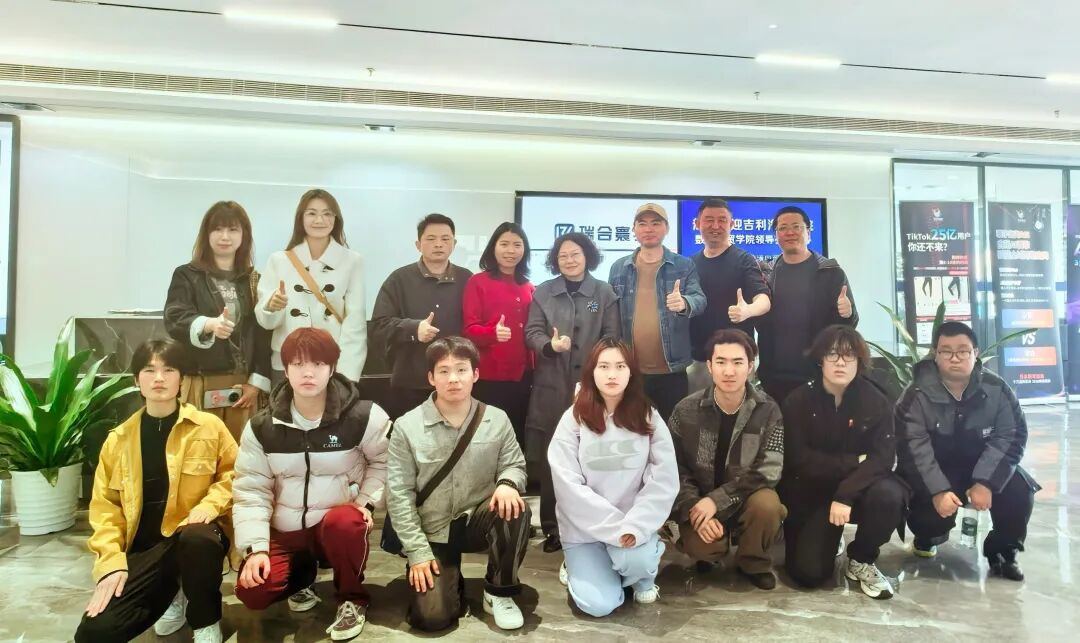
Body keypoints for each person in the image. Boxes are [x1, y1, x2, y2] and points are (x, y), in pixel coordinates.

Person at [232, 328, 390, 641]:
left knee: (347, 522)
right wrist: (255, 549)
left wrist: (366, 502)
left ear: (332, 368)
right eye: (298, 364)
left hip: (335, 525)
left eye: (318, 364)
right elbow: (251, 490)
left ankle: (352, 598)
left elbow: (386, 462)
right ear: (285, 369)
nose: (308, 373)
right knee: (253, 592)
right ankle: (302, 576)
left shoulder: (363, 416)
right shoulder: (262, 427)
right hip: (287, 528)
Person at [75, 339, 237, 643]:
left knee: (196, 539)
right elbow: (105, 509)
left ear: (182, 379)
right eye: (149, 371)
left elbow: (235, 473)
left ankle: (205, 619)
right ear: (137, 381)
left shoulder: (209, 426)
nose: (159, 378)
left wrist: (210, 505)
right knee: (94, 633)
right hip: (147, 548)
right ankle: (174, 592)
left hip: (195, 535)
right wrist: (110, 564)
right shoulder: (118, 440)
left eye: (169, 370)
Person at [386, 337, 530, 632]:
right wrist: (417, 552)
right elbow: (399, 495)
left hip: (477, 521)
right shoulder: (407, 426)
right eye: (444, 371)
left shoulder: (496, 419)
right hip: (432, 529)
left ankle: (498, 591)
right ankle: (449, 579)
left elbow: (515, 465)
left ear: (475, 374)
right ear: (431, 377)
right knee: (432, 618)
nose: (453, 378)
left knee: (516, 508)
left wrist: (507, 483)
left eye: (461, 369)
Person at [896, 321, 1040, 581]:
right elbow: (912, 447)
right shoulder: (915, 394)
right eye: (946, 351)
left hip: (982, 465)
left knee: (1019, 490)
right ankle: (928, 536)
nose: (955, 358)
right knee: (928, 517)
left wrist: (986, 481)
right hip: (938, 471)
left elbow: (1011, 435)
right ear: (935, 354)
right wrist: (938, 490)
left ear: (975, 353)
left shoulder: (997, 390)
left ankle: (1003, 551)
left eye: (963, 351)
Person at [547, 338, 679, 617]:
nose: (612, 374)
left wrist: (635, 526)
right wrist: (614, 528)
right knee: (599, 605)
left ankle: (639, 573)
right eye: (604, 366)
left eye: (620, 366)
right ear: (591, 372)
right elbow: (568, 487)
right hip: (585, 531)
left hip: (632, 527)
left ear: (631, 372)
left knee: (638, 561)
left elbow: (663, 480)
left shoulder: (648, 417)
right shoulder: (573, 419)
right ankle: (585, 566)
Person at [780, 325, 908, 599]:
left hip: (859, 490)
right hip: (813, 490)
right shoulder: (798, 400)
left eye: (849, 355)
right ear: (820, 359)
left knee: (889, 495)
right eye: (833, 354)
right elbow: (798, 460)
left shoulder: (876, 401)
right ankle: (830, 536)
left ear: (859, 360)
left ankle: (861, 558)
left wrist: (845, 494)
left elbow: (882, 458)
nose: (840, 362)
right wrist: (854, 461)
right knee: (808, 574)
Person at [667, 329, 786, 590]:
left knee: (768, 505)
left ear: (750, 367)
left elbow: (769, 469)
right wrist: (694, 506)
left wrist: (717, 500)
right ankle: (709, 554)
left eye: (738, 362)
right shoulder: (685, 410)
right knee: (704, 547)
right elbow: (673, 468)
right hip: (699, 499)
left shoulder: (768, 410)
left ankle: (753, 562)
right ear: (710, 366)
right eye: (721, 362)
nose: (729, 371)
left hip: (744, 498)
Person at [525, 231, 620, 553]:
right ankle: (553, 528)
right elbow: (531, 332)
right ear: (555, 260)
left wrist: (598, 369)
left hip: (593, 387)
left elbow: (612, 337)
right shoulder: (543, 292)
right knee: (555, 459)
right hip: (552, 386)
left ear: (587, 256)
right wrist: (549, 346)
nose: (569, 260)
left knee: (594, 457)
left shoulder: (604, 293)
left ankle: (592, 525)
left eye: (575, 254)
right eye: (563, 255)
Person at [165, 200, 271, 441]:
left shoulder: (253, 280)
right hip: (200, 380)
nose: (225, 236)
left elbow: (263, 335)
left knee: (241, 453)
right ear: (207, 234)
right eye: (217, 229)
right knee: (198, 451)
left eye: (233, 229)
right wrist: (208, 324)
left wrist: (256, 383)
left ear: (244, 235)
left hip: (243, 386)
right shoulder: (187, 275)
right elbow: (174, 317)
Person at [256, 189, 366, 386]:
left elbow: (355, 321)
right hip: (288, 363)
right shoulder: (278, 260)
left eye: (327, 214)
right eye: (312, 213)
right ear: (301, 218)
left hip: (331, 363)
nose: (319, 220)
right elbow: (266, 322)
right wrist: (272, 306)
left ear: (336, 219)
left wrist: (346, 374)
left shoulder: (352, 261)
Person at [608, 202, 706, 422]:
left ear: (666, 228)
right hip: (631, 370)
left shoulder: (683, 265)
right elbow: (611, 314)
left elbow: (700, 299)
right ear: (634, 229)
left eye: (655, 223)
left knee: (673, 430)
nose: (648, 229)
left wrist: (684, 303)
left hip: (672, 370)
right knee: (633, 429)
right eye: (642, 224)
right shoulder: (618, 268)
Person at [370, 213, 472, 420]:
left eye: (445, 239)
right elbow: (378, 326)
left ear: (454, 244)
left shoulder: (468, 279)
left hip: (455, 383)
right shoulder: (399, 279)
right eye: (431, 238)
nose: (439, 244)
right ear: (418, 245)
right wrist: (413, 329)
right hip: (411, 382)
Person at [757, 205, 857, 405]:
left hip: (817, 374)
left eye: (796, 226)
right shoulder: (767, 274)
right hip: (774, 376)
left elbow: (847, 326)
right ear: (776, 235)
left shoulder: (831, 272)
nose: (790, 232)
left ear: (809, 233)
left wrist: (847, 313)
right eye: (783, 228)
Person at [687, 198, 772, 393]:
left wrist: (747, 311)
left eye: (722, 220)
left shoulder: (744, 260)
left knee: (740, 411)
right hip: (699, 360)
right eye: (709, 220)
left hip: (736, 360)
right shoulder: (690, 263)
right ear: (697, 224)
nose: (715, 226)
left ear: (732, 224)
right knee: (695, 411)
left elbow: (764, 300)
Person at [462, 221, 535, 445]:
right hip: (489, 376)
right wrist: (492, 333)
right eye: (504, 244)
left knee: (516, 437)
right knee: (487, 438)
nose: (511, 250)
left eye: (517, 245)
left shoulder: (529, 286)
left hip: (523, 376)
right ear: (493, 247)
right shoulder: (478, 282)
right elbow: (469, 329)